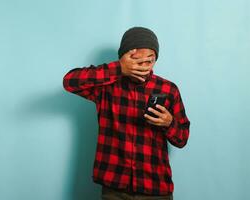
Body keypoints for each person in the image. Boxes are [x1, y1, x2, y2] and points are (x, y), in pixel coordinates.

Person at [63, 27, 190, 200]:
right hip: (114, 187)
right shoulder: (106, 87)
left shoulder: (168, 90)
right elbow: (69, 82)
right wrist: (117, 69)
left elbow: (182, 138)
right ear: (123, 58)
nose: (144, 67)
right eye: (137, 61)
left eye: (150, 61)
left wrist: (169, 123)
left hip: (155, 187)